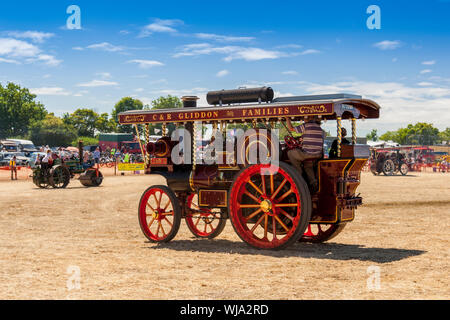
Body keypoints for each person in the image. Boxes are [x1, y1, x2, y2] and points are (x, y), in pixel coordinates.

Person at [285, 116, 325, 192]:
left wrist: (287, 119)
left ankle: (298, 175)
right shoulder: (319, 128)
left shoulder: (306, 125)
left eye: (304, 117)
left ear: (307, 118)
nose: (303, 119)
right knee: (308, 165)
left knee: (290, 153)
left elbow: (291, 129)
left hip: (308, 153)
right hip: (318, 154)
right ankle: (313, 183)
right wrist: (303, 139)